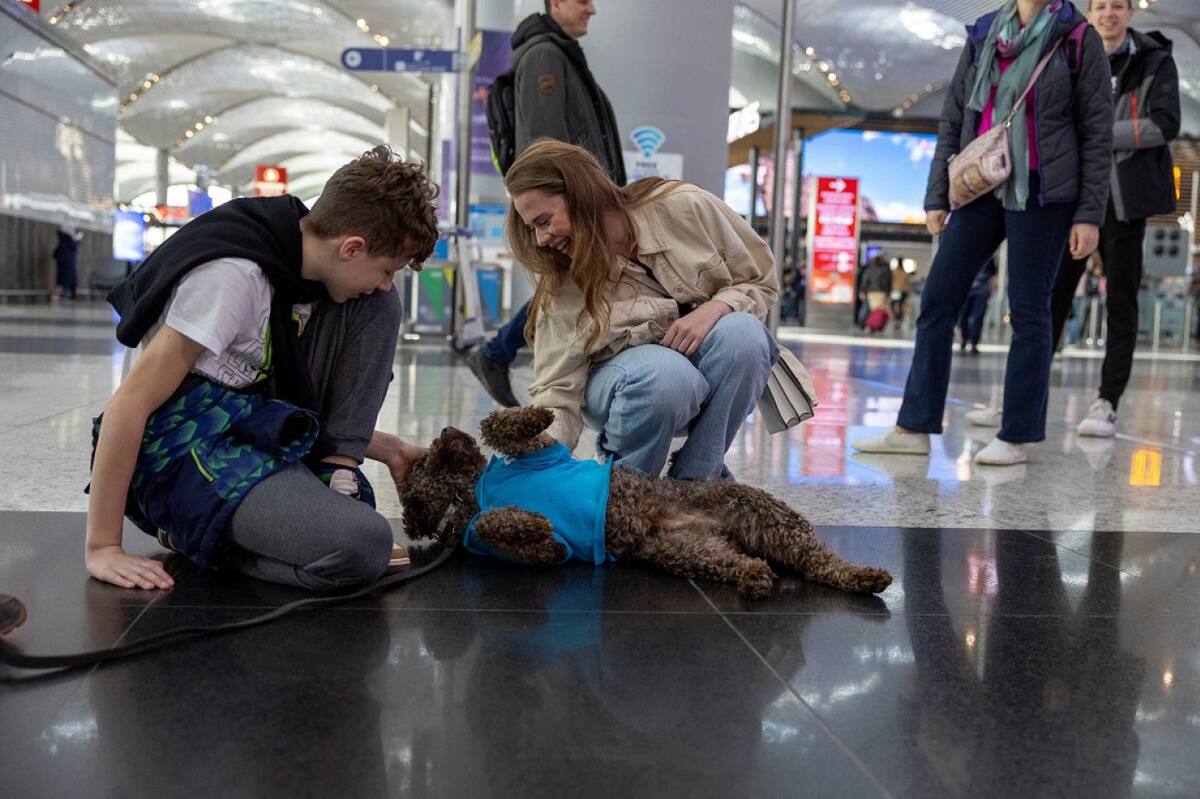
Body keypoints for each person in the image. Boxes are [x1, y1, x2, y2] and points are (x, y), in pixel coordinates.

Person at [85, 145, 437, 592]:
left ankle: (335, 472)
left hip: (252, 425)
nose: (387, 281)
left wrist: (387, 448)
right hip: (184, 451)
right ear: (352, 247)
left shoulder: (297, 264)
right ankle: (200, 537)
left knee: (379, 305)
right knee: (362, 547)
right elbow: (129, 406)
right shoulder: (232, 276)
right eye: (387, 268)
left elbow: (275, 393)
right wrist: (103, 546)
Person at [853, 0, 1112, 466]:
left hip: (1043, 190)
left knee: (1030, 311)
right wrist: (937, 195)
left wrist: (1089, 215)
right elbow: (954, 119)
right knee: (937, 300)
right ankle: (913, 426)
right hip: (980, 185)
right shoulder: (985, 34)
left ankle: (1017, 435)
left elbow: (1096, 133)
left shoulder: (1077, 37)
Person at [505, 139, 778, 481]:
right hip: (628, 386)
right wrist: (534, 464)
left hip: (702, 380)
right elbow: (557, 391)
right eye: (533, 228)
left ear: (580, 193)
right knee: (664, 373)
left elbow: (762, 283)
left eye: (544, 221)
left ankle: (696, 482)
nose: (541, 239)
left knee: (745, 334)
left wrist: (717, 307)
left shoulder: (686, 207)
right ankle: (623, 489)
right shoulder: (563, 284)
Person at [467, 0, 626, 409]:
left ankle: (498, 353)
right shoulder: (544, 55)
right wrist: (568, 208)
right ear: (555, 3)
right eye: (582, 1)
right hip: (577, 205)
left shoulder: (556, 52)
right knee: (570, 284)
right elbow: (544, 145)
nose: (591, 9)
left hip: (585, 201)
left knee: (572, 284)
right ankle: (497, 353)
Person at [1047, 0, 1181, 438]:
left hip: (1123, 200)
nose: (1108, 13)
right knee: (1050, 299)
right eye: (1100, 5)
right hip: (1071, 196)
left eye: (1117, 6)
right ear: (1089, 13)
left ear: (1130, 12)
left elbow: (1165, 123)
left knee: (1120, 304)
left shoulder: (1154, 61)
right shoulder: (1068, 54)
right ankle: (1023, 395)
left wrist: (1099, 136)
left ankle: (1107, 401)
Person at [957, 257, 997, 354]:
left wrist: (992, 289)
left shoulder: (989, 257)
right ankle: (964, 339)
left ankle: (974, 342)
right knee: (963, 315)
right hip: (967, 287)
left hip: (982, 288)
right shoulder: (964, 252)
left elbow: (993, 274)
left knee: (978, 316)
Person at [54, 225, 81, 301]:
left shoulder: (62, 244)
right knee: (70, 281)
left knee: (62, 282)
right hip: (70, 268)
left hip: (62, 267)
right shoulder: (73, 244)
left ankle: (62, 296)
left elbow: (55, 254)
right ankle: (69, 296)